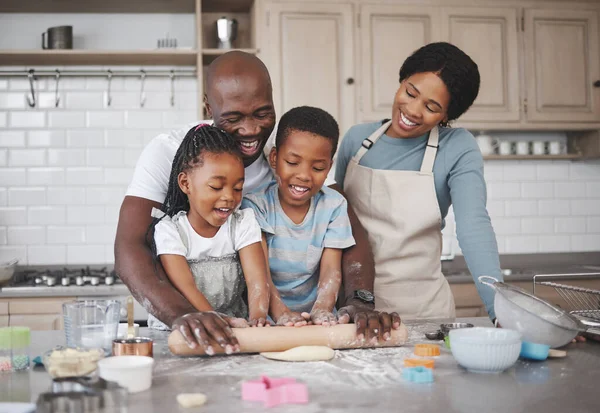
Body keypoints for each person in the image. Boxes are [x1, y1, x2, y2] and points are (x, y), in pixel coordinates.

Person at [115, 51, 400, 355]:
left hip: (254, 331)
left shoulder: (290, 153)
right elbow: (129, 247)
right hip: (191, 329)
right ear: (209, 107)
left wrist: (360, 300)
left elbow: (350, 233)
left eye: (262, 113)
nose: (251, 130)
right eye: (234, 118)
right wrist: (183, 315)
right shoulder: (172, 152)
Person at [335, 42, 503, 321]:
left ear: (447, 115)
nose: (412, 110)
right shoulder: (356, 140)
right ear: (402, 81)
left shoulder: (457, 147)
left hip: (424, 313)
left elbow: (474, 227)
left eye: (431, 107)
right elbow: (335, 222)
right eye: (410, 93)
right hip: (357, 310)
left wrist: (501, 310)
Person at [148, 124, 270, 355]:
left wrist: (258, 320)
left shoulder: (242, 223)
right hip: (185, 334)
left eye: (237, 188)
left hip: (236, 331)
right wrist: (215, 322)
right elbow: (186, 288)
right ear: (186, 184)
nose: (229, 197)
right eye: (216, 186)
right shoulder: (170, 231)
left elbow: (257, 281)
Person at [242, 106, 356, 328]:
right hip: (268, 319)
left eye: (318, 167)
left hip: (318, 322)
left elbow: (331, 271)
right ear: (274, 158)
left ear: (329, 167)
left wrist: (322, 309)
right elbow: (259, 272)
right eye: (292, 163)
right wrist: (281, 313)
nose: (304, 175)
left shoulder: (334, 205)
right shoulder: (256, 205)